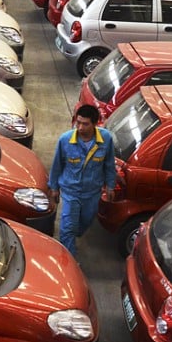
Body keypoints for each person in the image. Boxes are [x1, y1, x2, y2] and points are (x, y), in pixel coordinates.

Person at [48, 104, 116, 257]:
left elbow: (109, 164)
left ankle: (75, 232)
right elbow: (57, 165)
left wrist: (110, 186)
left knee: (85, 221)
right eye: (78, 122)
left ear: (95, 123)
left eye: (85, 124)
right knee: (67, 229)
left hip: (92, 193)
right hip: (71, 193)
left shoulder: (105, 139)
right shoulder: (65, 140)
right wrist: (54, 188)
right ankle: (70, 261)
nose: (80, 127)